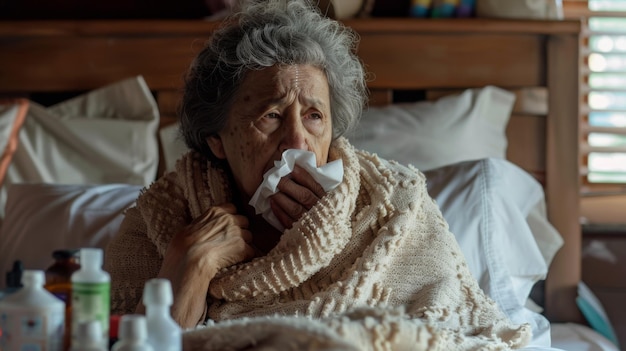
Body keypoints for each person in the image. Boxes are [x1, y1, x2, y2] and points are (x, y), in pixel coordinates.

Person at [105, 0, 532, 349]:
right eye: (271, 116)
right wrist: (190, 265)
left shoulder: (391, 207)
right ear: (216, 140)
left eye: (313, 116)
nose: (296, 142)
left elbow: (466, 337)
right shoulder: (161, 218)